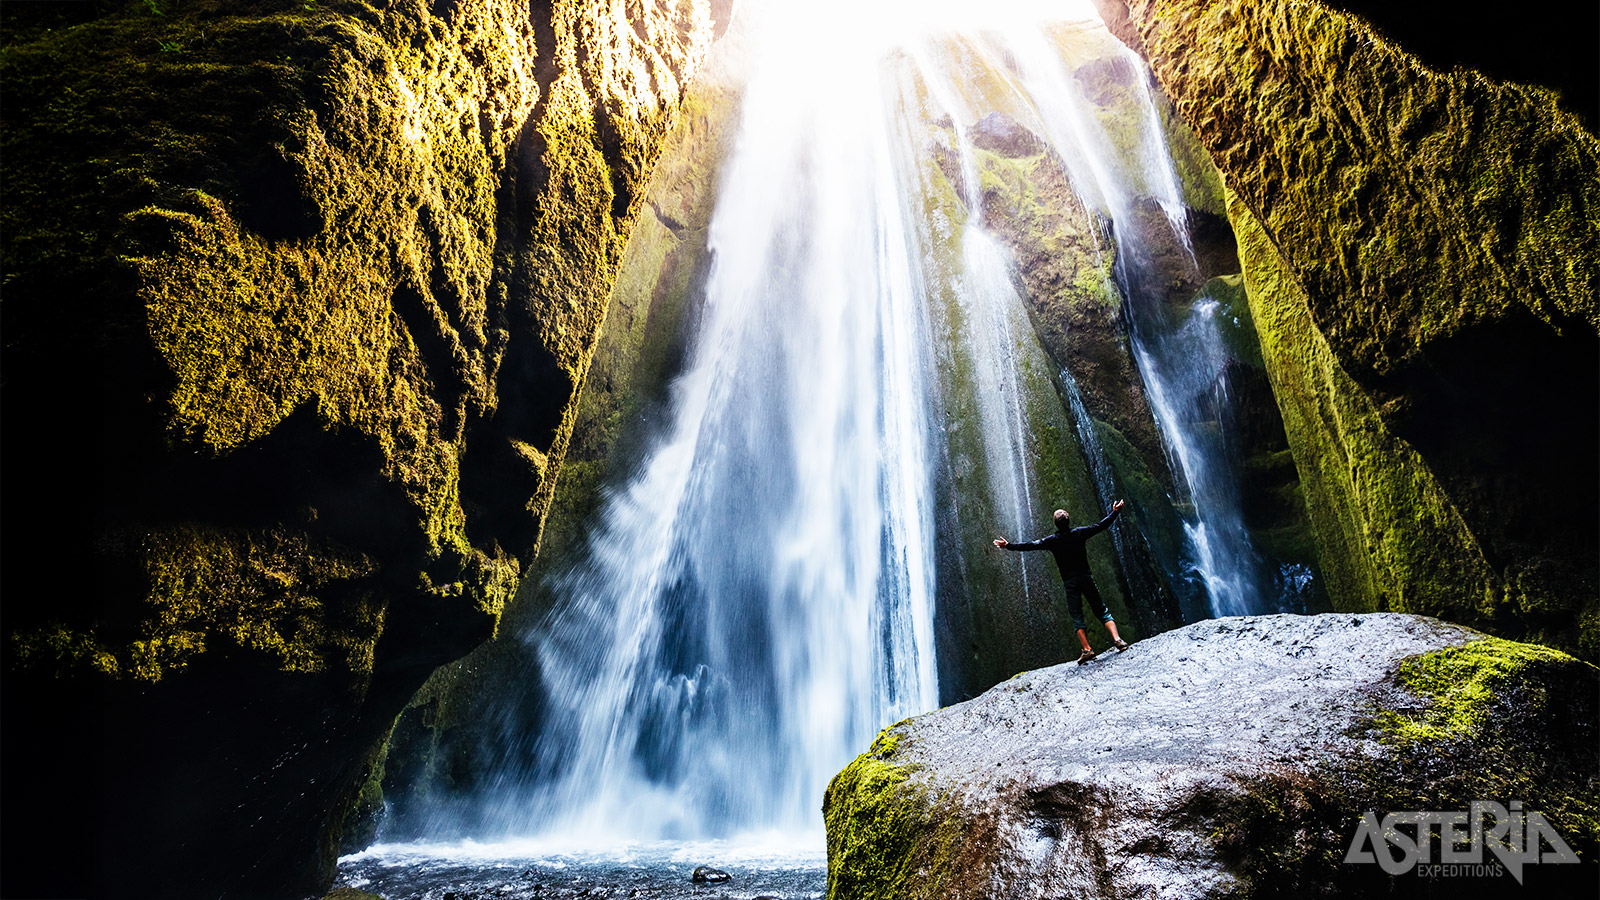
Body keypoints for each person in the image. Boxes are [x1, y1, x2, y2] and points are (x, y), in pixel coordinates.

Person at [993, 500, 1129, 664]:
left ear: (1056, 524)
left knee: (1077, 615)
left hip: (1070, 582)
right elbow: (1101, 525)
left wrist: (1009, 546)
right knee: (1101, 609)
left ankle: (1087, 649)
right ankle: (1117, 640)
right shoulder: (1080, 533)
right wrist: (1115, 511)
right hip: (1086, 577)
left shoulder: (1052, 540)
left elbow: (1030, 545)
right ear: (1068, 521)